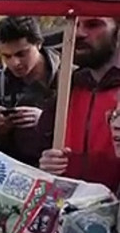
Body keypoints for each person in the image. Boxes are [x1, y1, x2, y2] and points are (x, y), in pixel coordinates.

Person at [40, 17, 120, 192]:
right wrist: (48, 162)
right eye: (75, 24)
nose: (78, 33)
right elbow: (43, 148)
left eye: (93, 25)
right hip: (69, 207)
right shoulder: (67, 86)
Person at [0, 16, 60, 167]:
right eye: (6, 56)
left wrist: (45, 121)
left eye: (21, 54)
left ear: (38, 44)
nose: (15, 63)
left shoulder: (69, 80)